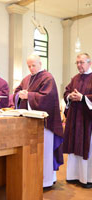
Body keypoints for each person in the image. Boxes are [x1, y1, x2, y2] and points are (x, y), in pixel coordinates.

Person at [14, 54, 63, 188]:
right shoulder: (27, 78)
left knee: (45, 152)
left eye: (33, 65)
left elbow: (48, 98)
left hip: (44, 125)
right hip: (28, 124)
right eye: (28, 66)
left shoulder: (47, 78)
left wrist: (28, 95)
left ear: (40, 63)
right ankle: (32, 178)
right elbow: (17, 92)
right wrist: (19, 95)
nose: (31, 68)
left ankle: (46, 181)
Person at [63, 53, 92, 188]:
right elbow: (66, 91)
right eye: (77, 63)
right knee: (74, 146)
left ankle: (87, 178)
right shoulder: (75, 78)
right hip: (75, 119)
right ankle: (74, 175)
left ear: (89, 63)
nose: (79, 65)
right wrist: (70, 96)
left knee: (87, 147)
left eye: (81, 62)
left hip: (88, 120)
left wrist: (83, 98)